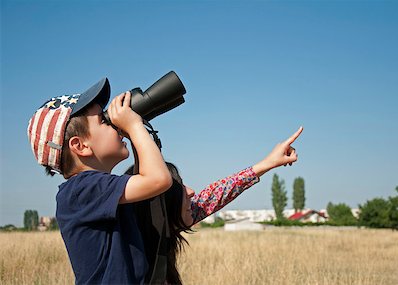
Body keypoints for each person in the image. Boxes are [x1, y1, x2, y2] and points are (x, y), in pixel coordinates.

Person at [27, 78, 174, 284]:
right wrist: (133, 126)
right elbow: (158, 179)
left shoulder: (98, 189)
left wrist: (134, 132)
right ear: (80, 146)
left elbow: (149, 182)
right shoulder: (80, 190)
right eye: (104, 120)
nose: (115, 125)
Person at [131, 126, 303, 284]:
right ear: (158, 204)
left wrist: (268, 163)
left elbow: (216, 194)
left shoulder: (163, 228)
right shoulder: (126, 252)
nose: (191, 192)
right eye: (180, 187)